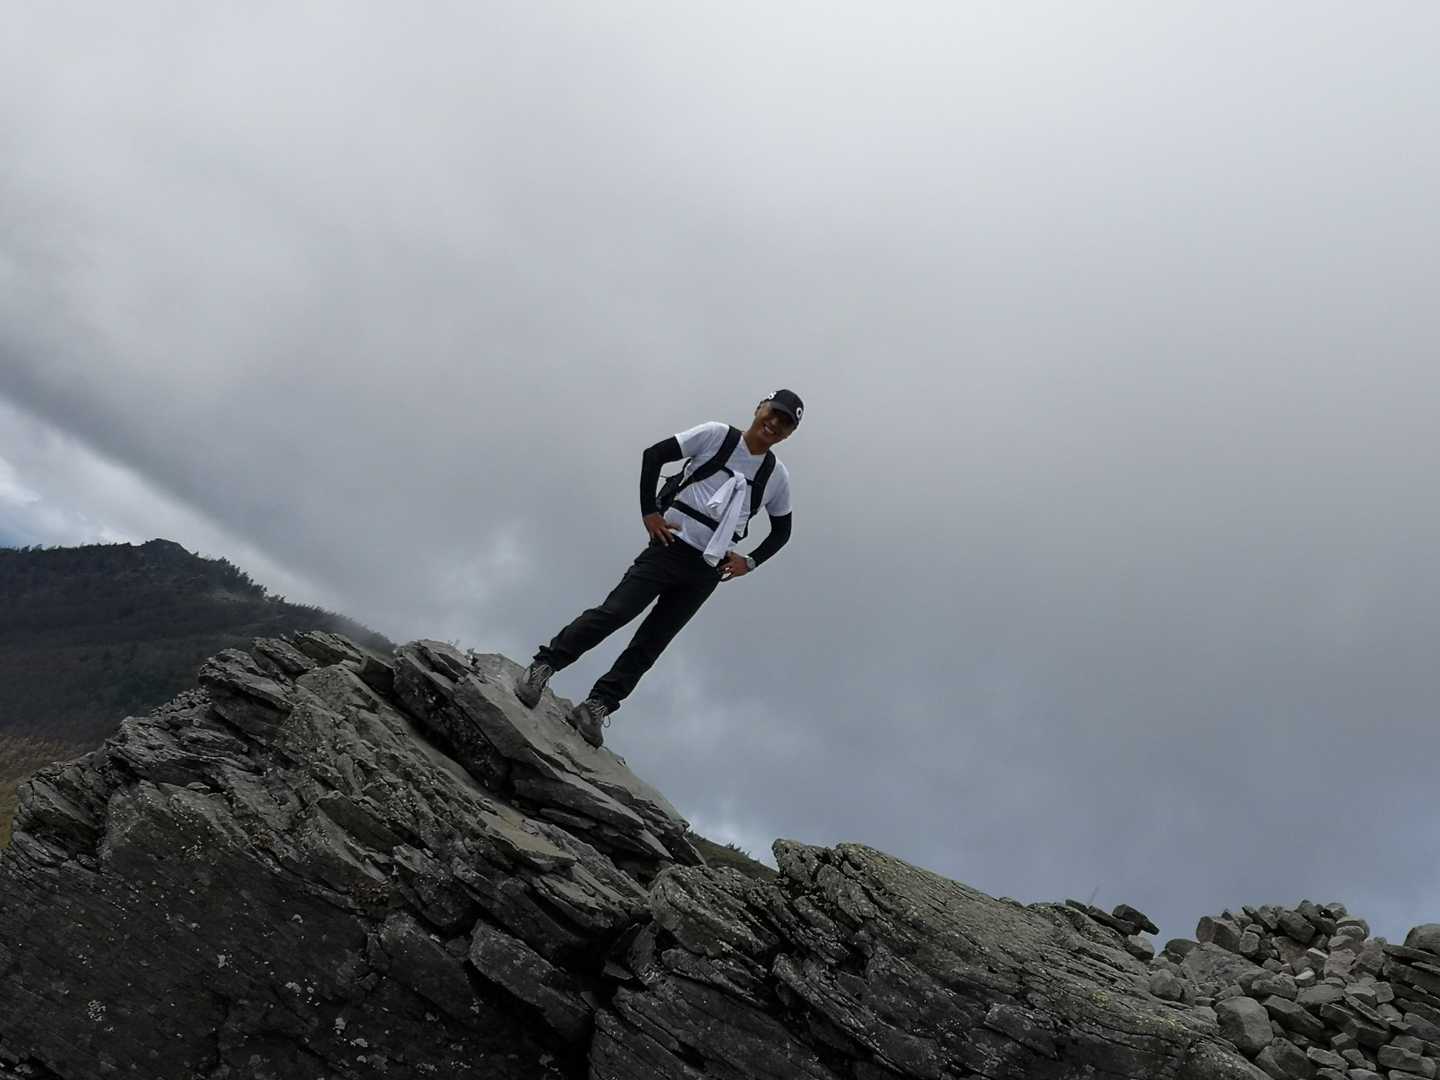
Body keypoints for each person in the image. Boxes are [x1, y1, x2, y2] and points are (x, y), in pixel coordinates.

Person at [512, 389, 802, 747]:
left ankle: (597, 706)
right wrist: (649, 512)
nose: (774, 424)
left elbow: (782, 530)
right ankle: (544, 666)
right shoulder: (716, 435)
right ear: (759, 408)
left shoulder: (776, 477)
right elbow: (655, 455)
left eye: (785, 423)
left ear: (789, 434)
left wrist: (750, 561)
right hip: (669, 546)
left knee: (652, 642)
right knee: (615, 612)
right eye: (773, 413)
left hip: (707, 569)